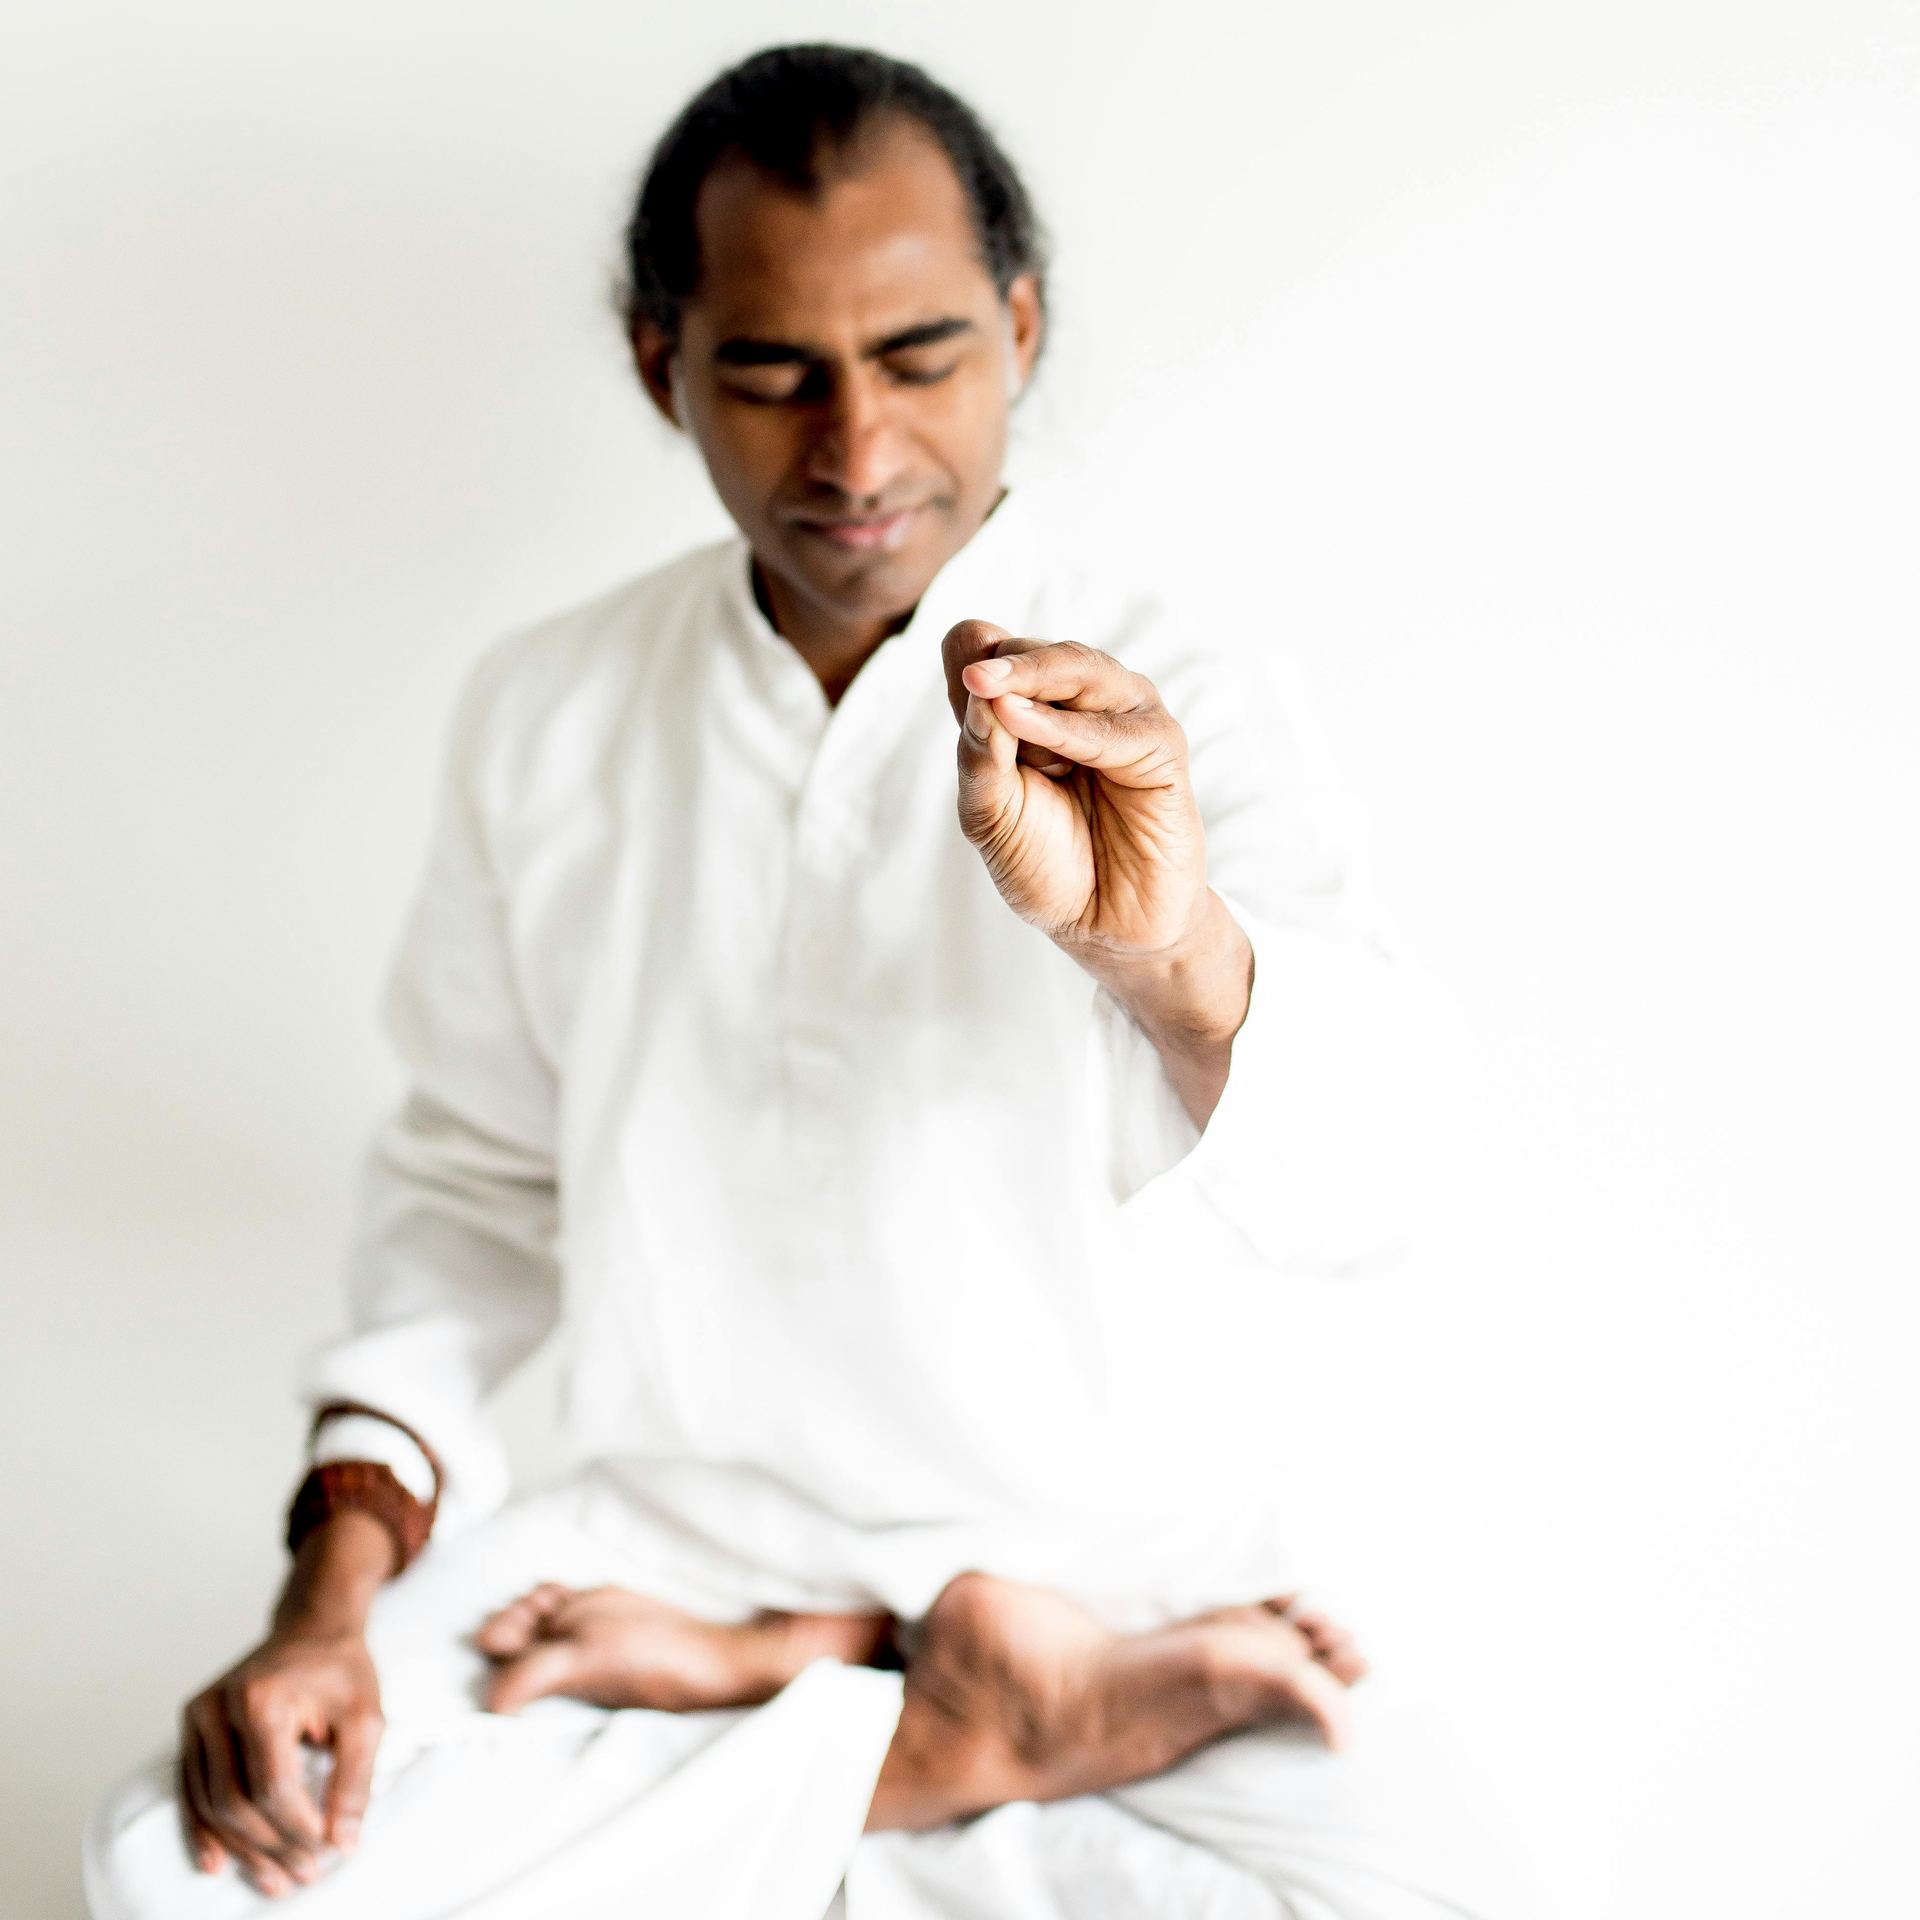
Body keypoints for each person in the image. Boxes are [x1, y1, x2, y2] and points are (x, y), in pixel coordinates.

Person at [85, 41, 1522, 1920]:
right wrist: (326, 1612)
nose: (855, 451)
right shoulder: (549, 710)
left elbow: (1379, 1188)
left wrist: (1163, 948)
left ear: (1019, 327)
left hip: (1121, 1578)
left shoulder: (1187, 693)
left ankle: (858, 1713)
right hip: (660, 1564)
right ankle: (897, 1715)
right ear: (656, 360)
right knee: (174, 1866)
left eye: (920, 357)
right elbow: (469, 1199)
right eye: (772, 371)